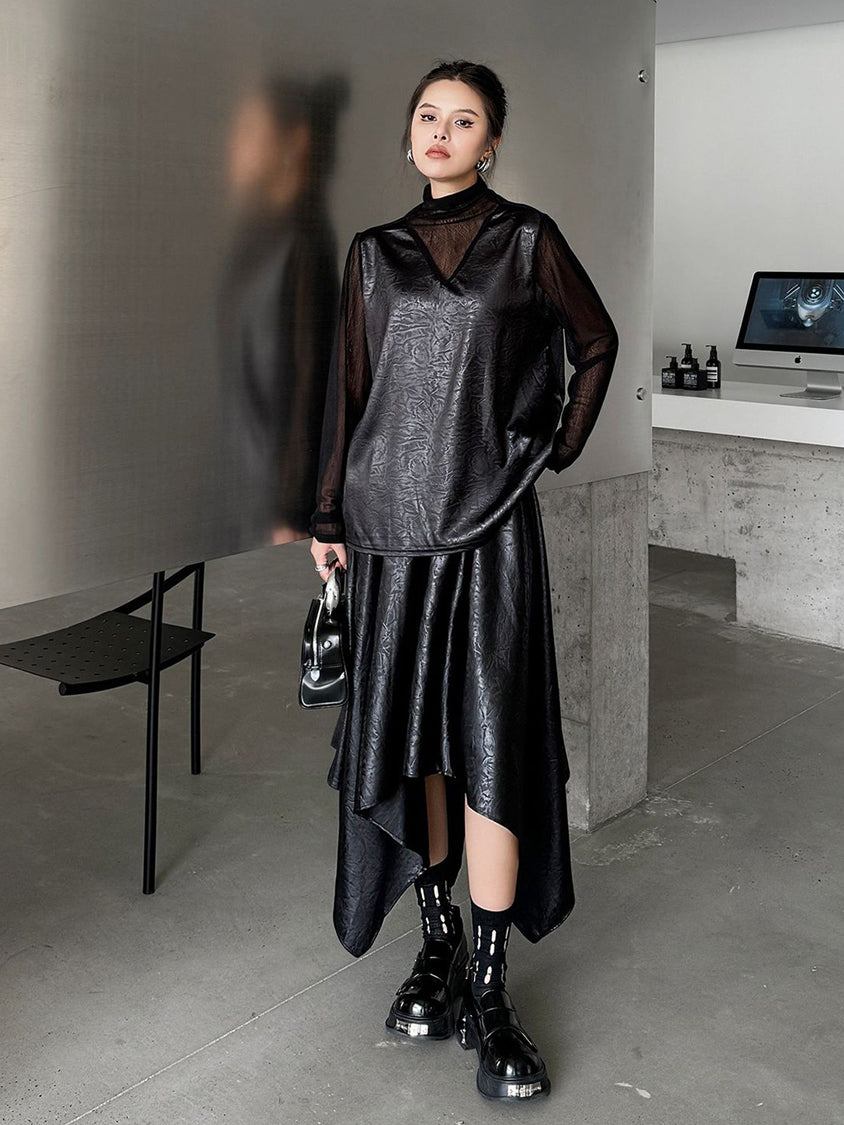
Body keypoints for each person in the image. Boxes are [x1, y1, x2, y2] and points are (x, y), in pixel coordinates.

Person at [308, 58, 619, 1101]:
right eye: (428, 116)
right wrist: (327, 519)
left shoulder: (526, 241)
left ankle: (490, 987)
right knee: (416, 750)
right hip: (389, 539)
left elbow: (595, 341)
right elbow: (347, 392)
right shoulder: (373, 254)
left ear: (491, 142)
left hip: (488, 534)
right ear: (408, 135)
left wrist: (552, 445)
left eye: (466, 119)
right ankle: (436, 943)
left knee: (487, 745)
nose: (441, 131)